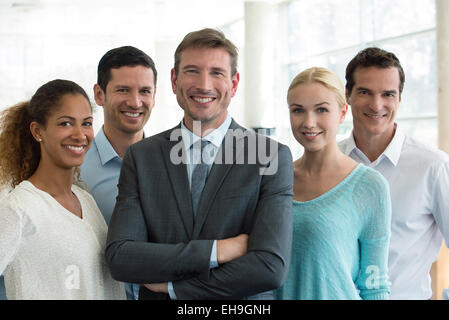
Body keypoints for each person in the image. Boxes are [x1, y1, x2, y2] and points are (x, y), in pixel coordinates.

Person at [105, 28, 294, 300]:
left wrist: (175, 288)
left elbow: (269, 268)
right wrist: (218, 251)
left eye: (217, 73)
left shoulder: (270, 156)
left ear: (234, 83)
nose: (204, 85)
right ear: (174, 79)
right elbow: (122, 257)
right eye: (192, 71)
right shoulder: (142, 156)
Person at [339, 47, 449, 299]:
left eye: (388, 94)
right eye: (365, 92)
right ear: (347, 95)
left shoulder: (433, 167)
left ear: (399, 99)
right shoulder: (329, 161)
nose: (377, 105)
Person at [0, 79, 125, 300]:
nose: (80, 134)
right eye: (66, 123)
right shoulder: (18, 209)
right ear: (38, 131)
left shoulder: (85, 200)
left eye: (86, 123)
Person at [276, 67, 391, 300]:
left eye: (321, 110)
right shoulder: (274, 179)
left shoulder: (370, 186)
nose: (309, 122)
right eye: (298, 110)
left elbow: (375, 286)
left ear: (342, 112)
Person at [80, 46, 157, 300]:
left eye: (145, 91)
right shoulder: (73, 167)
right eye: (123, 90)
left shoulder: (173, 164)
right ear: (99, 94)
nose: (135, 102)